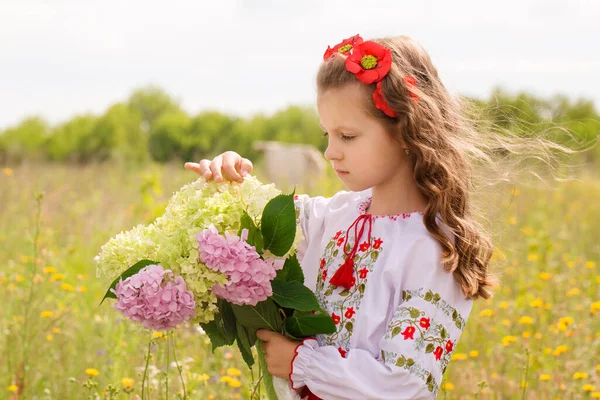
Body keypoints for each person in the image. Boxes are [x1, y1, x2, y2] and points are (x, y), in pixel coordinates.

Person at [185, 34, 502, 399]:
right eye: (327, 134)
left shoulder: (430, 249)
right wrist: (230, 179)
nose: (331, 152)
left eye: (348, 136)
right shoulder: (334, 215)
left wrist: (300, 364)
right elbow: (257, 226)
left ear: (406, 130)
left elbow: (406, 384)